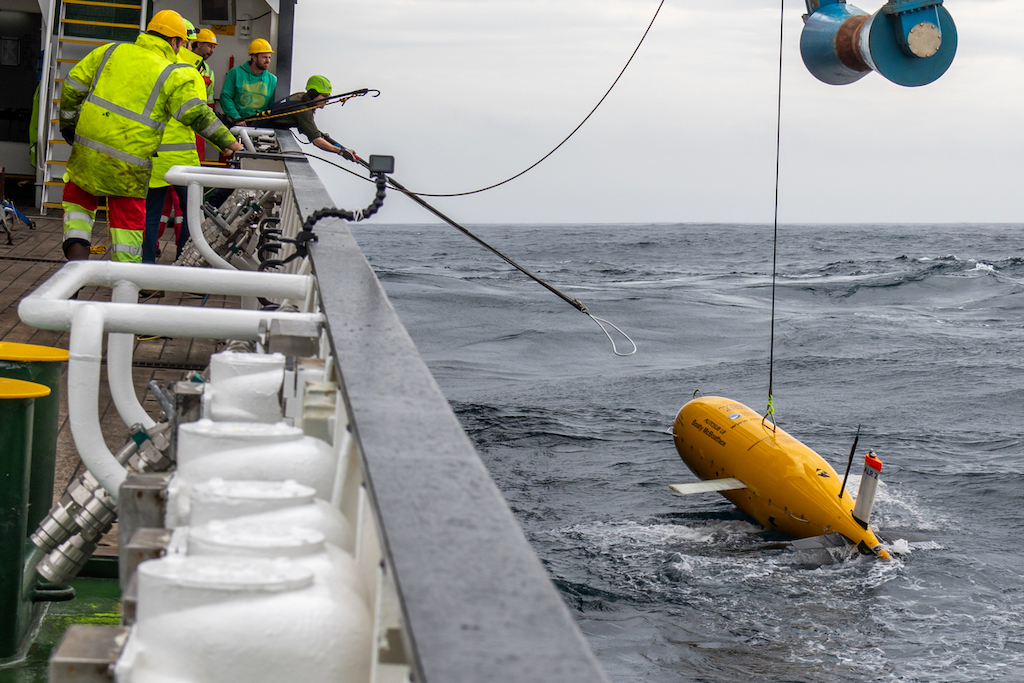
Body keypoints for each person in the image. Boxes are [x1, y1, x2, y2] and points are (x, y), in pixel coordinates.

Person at [58, 9, 243, 263]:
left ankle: (74, 270)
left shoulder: (110, 51)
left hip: (86, 155)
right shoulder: (171, 73)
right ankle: (129, 288)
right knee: (127, 231)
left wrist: (69, 127)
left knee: (78, 214)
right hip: (129, 166)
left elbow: (71, 87)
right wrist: (230, 142)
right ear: (175, 42)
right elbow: (197, 114)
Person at [142, 17, 218, 264]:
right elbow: (200, 116)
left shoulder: (147, 65)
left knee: (151, 214)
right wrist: (230, 145)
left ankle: (145, 269)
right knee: (192, 214)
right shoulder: (189, 71)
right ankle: (183, 265)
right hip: (182, 158)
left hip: (152, 153)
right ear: (181, 41)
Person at [265, 75, 357, 159]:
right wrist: (340, 152)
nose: (327, 100)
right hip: (263, 132)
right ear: (313, 94)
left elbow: (311, 130)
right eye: (324, 96)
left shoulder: (301, 98)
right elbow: (317, 141)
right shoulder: (302, 109)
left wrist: (343, 148)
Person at [220, 38, 277, 125]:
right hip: (236, 124)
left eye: (269, 57)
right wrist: (237, 118)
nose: (268, 61)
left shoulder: (272, 80)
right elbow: (226, 97)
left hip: (261, 127)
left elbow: (273, 106)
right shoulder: (235, 73)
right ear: (254, 57)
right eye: (264, 57)